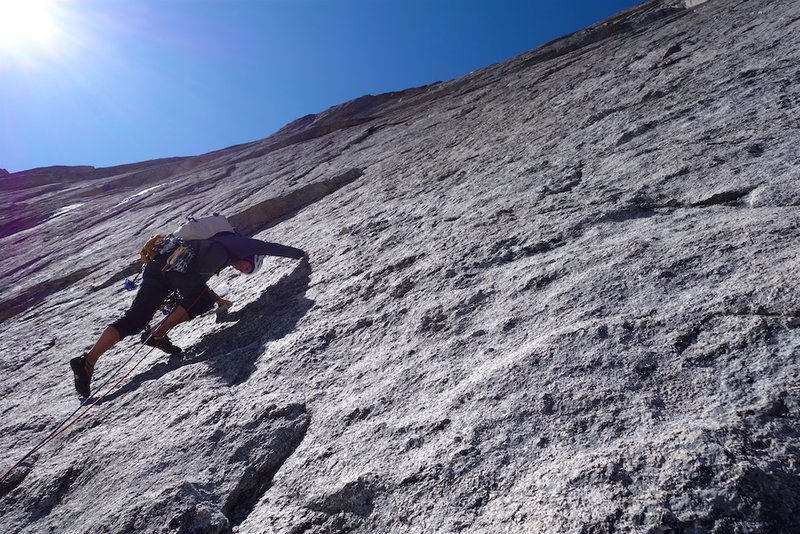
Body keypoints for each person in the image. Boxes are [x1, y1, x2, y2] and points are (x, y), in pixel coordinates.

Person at [70, 232, 307, 398]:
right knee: (200, 300)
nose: (241, 270)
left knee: (135, 320)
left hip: (160, 269)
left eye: (244, 273)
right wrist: (299, 254)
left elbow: (195, 281)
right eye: (246, 267)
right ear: (249, 257)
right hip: (174, 269)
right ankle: (157, 334)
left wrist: (216, 299)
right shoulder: (238, 244)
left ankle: (87, 363)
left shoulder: (216, 249)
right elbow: (268, 246)